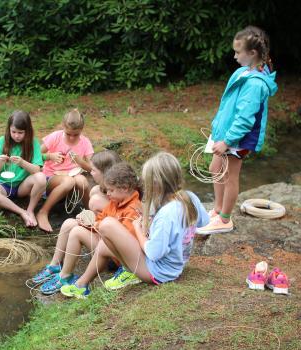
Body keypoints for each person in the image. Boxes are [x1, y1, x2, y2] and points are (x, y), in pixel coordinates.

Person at [71, 152, 209, 296]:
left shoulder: (166, 214)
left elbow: (154, 253)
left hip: (157, 272)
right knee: (104, 244)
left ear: (155, 184)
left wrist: (138, 228)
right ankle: (83, 284)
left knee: (107, 225)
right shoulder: (190, 197)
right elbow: (203, 222)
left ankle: (89, 283)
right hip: (176, 265)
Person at [197, 26, 277, 235]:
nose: (234, 56)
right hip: (225, 133)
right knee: (216, 168)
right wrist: (219, 130)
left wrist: (228, 141)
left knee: (230, 175)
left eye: (237, 52)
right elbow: (229, 105)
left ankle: (225, 219)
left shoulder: (256, 84)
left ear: (252, 53)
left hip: (237, 139)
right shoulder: (243, 72)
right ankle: (217, 209)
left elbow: (244, 119)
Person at [33, 162, 142, 295]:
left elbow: (125, 242)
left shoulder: (133, 209)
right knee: (69, 223)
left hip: (118, 257)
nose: (107, 194)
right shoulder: (116, 202)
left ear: (125, 188)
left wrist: (94, 226)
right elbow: (101, 219)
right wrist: (86, 221)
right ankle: (55, 266)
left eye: (111, 190)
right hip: (106, 244)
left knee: (77, 232)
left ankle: (65, 276)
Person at [36, 109, 94, 232]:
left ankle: (90, 213)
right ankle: (43, 212)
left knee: (82, 181)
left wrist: (80, 161)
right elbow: (35, 156)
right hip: (51, 178)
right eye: (68, 134)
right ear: (63, 127)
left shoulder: (85, 142)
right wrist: (50, 156)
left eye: (76, 135)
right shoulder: (55, 137)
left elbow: (92, 168)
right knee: (69, 181)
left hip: (72, 179)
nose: (72, 138)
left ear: (82, 130)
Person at [0, 111, 47, 227]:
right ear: (9, 129)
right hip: (2, 184)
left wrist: (22, 162)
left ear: (27, 131)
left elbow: (36, 170)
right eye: (13, 132)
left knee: (41, 178)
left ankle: (30, 210)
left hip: (21, 187)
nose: (17, 136)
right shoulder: (1, 141)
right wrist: (0, 161)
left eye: (21, 132)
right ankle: (22, 212)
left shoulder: (33, 143)